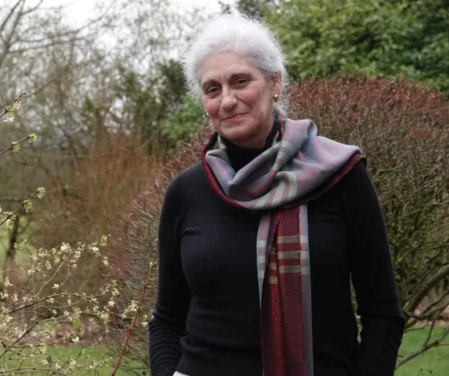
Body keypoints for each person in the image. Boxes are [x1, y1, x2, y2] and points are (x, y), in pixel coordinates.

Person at [147, 12, 405, 376]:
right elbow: (167, 319)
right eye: (212, 89)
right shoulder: (187, 192)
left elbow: (383, 313)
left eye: (240, 81)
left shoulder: (341, 176)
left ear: (275, 83)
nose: (228, 100)